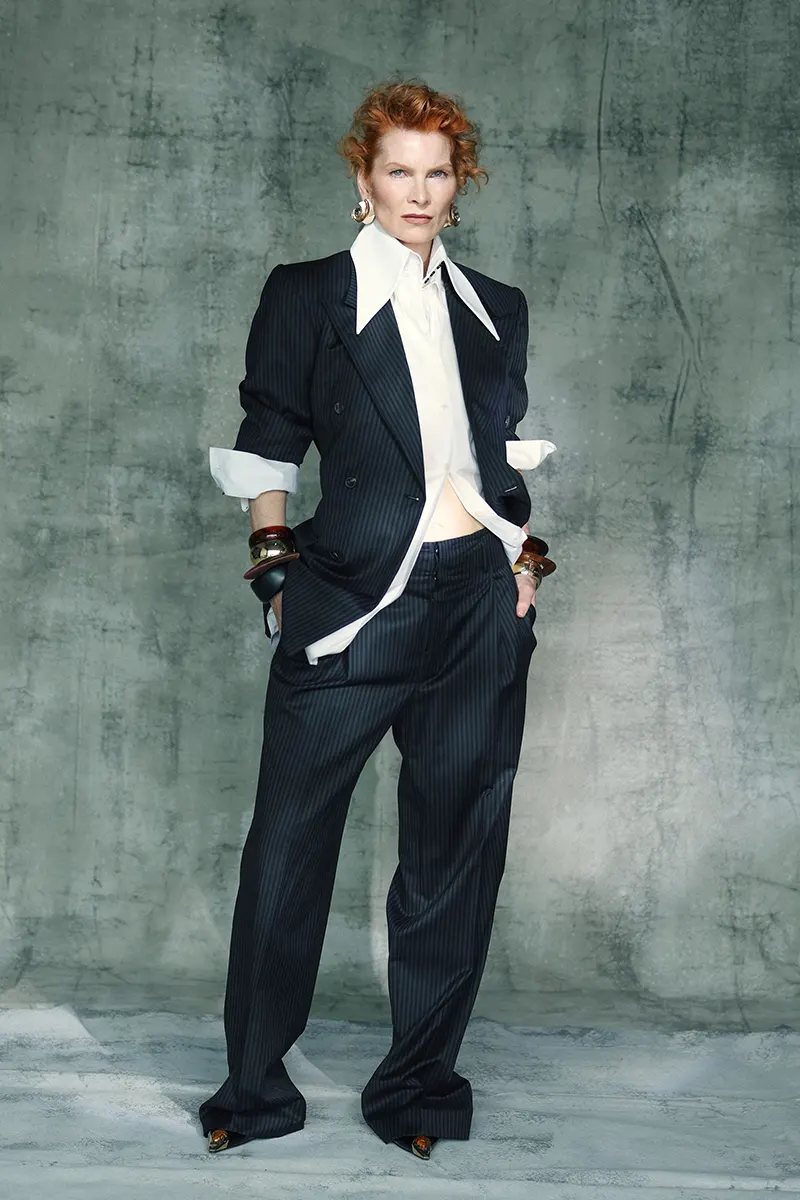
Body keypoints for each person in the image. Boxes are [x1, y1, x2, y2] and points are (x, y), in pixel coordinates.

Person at [199, 79, 556, 1162]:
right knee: (286, 852)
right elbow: (269, 434)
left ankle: (418, 1091)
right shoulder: (308, 295)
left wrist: (523, 563)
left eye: (437, 172)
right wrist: (275, 576)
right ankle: (254, 1093)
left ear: (459, 184)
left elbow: (499, 454)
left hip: (476, 608)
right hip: (350, 607)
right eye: (398, 169)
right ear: (364, 178)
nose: (418, 190)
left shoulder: (496, 307)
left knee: (456, 857)